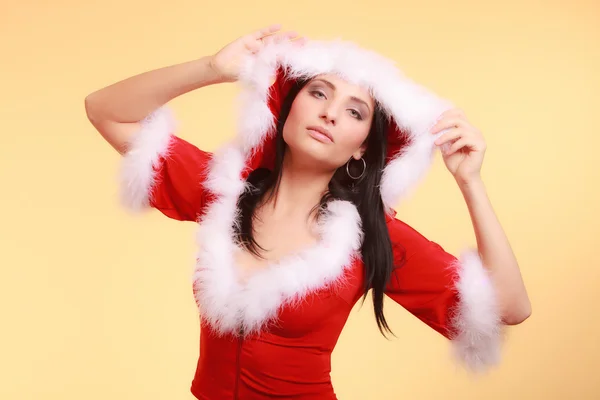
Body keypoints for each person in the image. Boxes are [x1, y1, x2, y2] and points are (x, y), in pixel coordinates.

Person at [85, 24, 531, 400]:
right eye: (319, 93)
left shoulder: (368, 235)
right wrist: (213, 69)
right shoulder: (221, 190)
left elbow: (509, 307)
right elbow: (105, 111)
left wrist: (469, 181)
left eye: (354, 112)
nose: (330, 114)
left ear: (361, 149)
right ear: (289, 108)